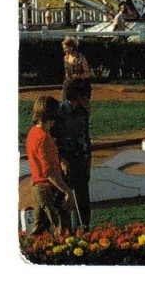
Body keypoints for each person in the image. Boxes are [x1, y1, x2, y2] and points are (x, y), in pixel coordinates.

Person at [25, 95, 74, 235]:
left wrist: (59, 161)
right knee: (63, 231)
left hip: (39, 189)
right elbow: (49, 173)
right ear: (50, 114)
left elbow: (45, 159)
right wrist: (67, 191)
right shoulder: (43, 138)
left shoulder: (34, 132)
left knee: (39, 232)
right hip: (48, 189)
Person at [54, 77, 92, 229]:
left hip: (81, 160)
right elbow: (55, 139)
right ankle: (66, 233)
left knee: (83, 199)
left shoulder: (83, 113)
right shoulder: (60, 113)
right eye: (86, 97)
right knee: (66, 200)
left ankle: (84, 229)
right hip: (66, 162)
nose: (88, 100)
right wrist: (61, 159)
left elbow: (85, 138)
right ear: (78, 96)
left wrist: (89, 159)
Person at [61, 37, 92, 103]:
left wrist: (78, 76)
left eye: (65, 48)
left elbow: (88, 73)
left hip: (82, 83)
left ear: (71, 47)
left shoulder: (81, 58)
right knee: (66, 85)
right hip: (71, 83)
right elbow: (67, 72)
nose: (64, 50)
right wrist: (68, 76)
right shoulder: (66, 58)